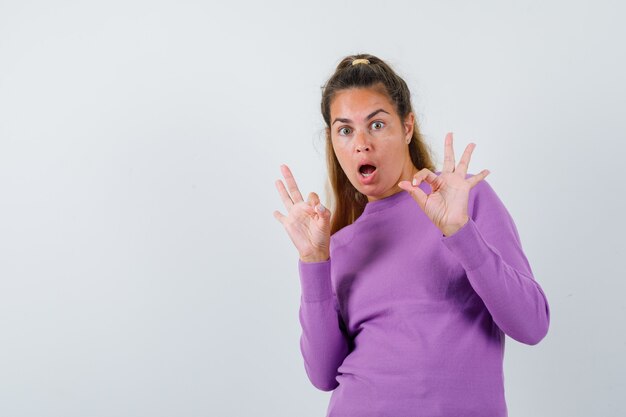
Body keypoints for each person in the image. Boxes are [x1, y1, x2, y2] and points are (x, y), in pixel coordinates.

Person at [272, 53, 550, 417]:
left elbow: (531, 324)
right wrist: (313, 262)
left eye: (376, 124)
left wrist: (461, 233)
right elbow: (323, 375)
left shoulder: (465, 200)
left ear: (407, 126)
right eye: (345, 130)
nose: (361, 144)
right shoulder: (338, 243)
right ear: (333, 141)